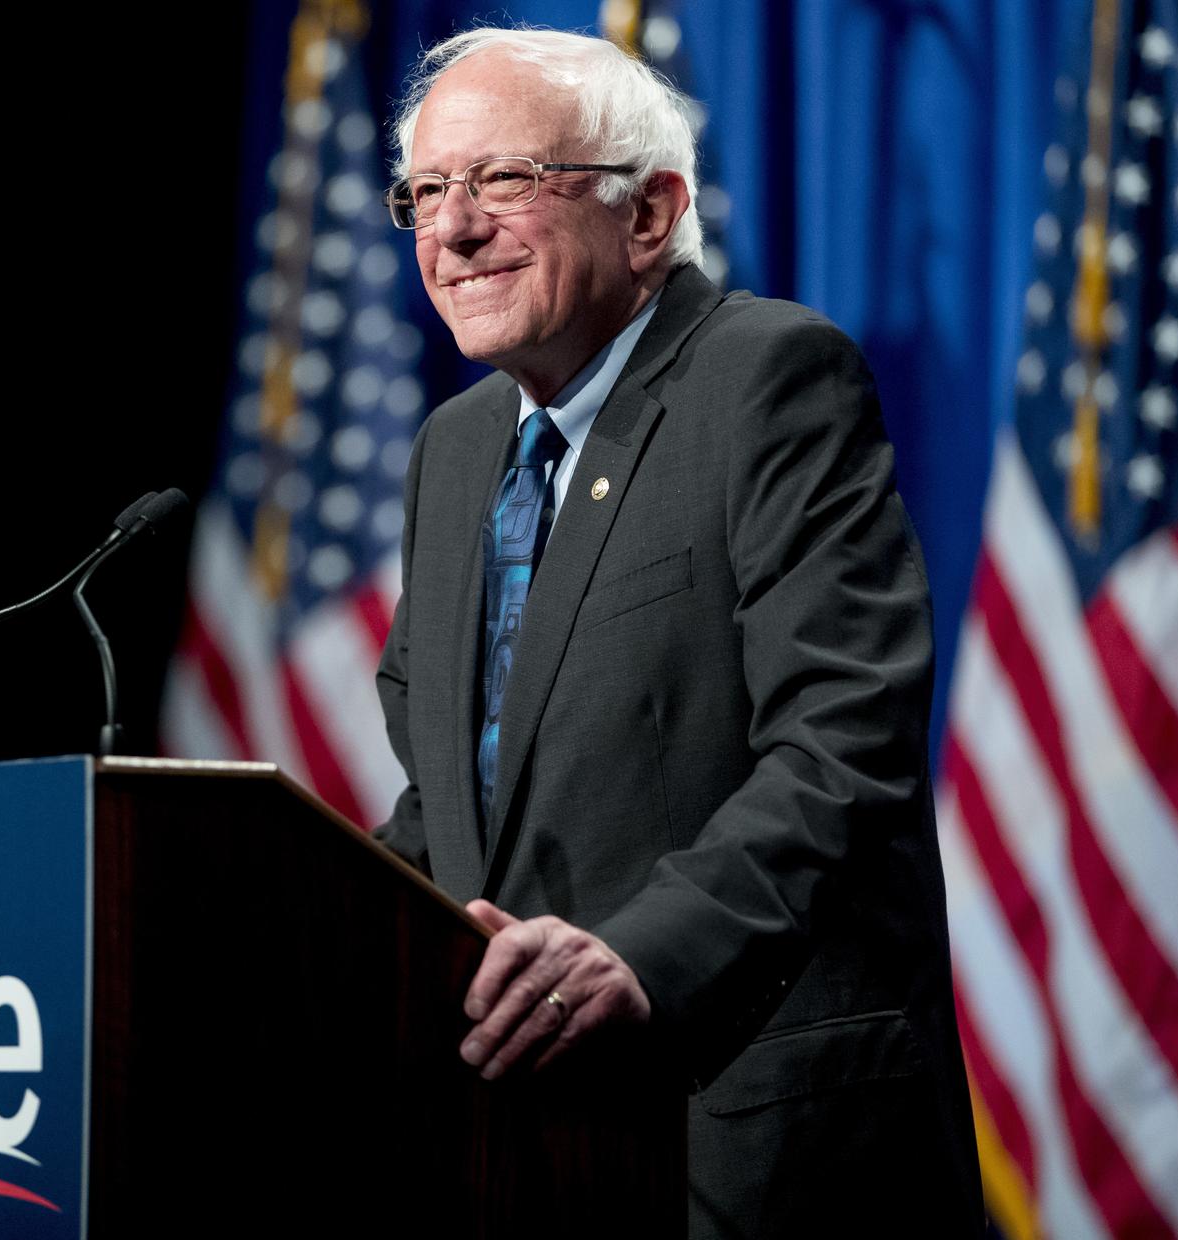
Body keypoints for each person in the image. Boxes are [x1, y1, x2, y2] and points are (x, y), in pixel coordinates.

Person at [372, 28, 983, 1237]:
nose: (453, 230)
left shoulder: (766, 380)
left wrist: (641, 956)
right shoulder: (455, 454)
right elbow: (455, 809)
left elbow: (840, 744)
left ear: (649, 214)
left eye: (502, 180)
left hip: (750, 1139)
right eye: (428, 192)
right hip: (527, 1147)